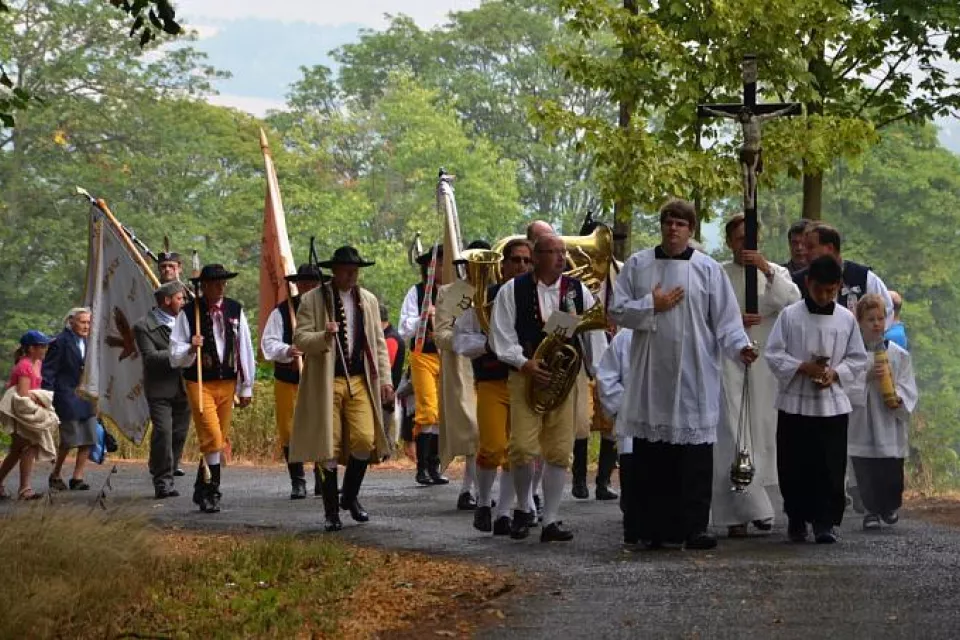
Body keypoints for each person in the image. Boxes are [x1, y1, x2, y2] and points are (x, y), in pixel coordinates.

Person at [608, 199, 757, 551]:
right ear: (661, 226)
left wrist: (740, 347)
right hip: (651, 376)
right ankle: (653, 528)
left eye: (680, 223)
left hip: (694, 372)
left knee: (694, 460)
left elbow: (726, 320)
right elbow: (616, 310)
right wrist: (652, 305)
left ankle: (694, 527)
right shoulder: (638, 264)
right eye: (668, 222)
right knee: (652, 457)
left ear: (691, 230)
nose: (673, 229)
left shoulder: (708, 270)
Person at [490, 234, 607, 542]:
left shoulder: (577, 290)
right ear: (537, 256)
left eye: (562, 252)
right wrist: (524, 363)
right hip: (525, 376)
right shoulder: (512, 290)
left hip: (563, 380)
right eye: (552, 252)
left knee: (559, 450)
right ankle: (523, 507)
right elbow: (501, 335)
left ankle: (551, 519)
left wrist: (599, 374)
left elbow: (594, 336)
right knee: (521, 448)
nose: (560, 257)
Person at [764, 255, 868, 544]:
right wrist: (802, 367)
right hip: (795, 404)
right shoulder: (790, 316)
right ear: (808, 283)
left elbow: (857, 358)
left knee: (830, 465)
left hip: (831, 405)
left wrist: (835, 373)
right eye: (819, 290)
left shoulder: (846, 319)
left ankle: (825, 522)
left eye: (830, 291)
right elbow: (773, 353)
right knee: (794, 464)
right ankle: (797, 518)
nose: (824, 296)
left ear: (838, 286)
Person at [288, 246, 394, 532]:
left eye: (355, 271)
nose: (352, 276)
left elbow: (378, 344)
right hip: (326, 382)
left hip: (359, 380)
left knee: (365, 440)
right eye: (347, 271)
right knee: (328, 446)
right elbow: (300, 339)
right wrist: (324, 335)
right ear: (334, 271)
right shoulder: (312, 299)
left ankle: (349, 495)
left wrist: (386, 380)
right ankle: (331, 510)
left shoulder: (368, 300)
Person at [714, 214, 801, 537]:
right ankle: (738, 513)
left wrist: (764, 268)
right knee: (734, 434)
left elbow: (793, 302)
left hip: (765, 365)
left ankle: (761, 506)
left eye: (750, 239)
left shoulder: (776, 272)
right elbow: (708, 312)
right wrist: (732, 320)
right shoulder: (719, 273)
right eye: (739, 239)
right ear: (729, 242)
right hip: (731, 362)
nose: (745, 246)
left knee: (763, 434)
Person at [454, 237, 535, 535]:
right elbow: (460, 340)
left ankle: (505, 512)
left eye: (527, 261)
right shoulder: (483, 298)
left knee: (519, 450)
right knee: (492, 446)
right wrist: (488, 344)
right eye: (516, 260)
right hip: (492, 380)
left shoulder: (537, 297)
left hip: (525, 381)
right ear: (503, 266)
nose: (521, 266)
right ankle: (483, 503)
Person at [170, 264, 255, 514]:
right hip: (199, 382)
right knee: (213, 438)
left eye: (223, 282)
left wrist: (246, 385)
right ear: (204, 286)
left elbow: (244, 347)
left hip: (227, 382)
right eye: (216, 283)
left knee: (216, 441)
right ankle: (213, 491)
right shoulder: (189, 313)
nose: (221, 287)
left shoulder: (235, 309)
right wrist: (190, 347)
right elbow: (174, 354)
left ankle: (202, 487)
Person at [849, 294, 918, 531]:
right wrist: (866, 377)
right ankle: (871, 511)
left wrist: (899, 398)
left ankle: (889, 506)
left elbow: (908, 384)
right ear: (860, 322)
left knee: (891, 468)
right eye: (870, 319)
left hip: (889, 419)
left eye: (880, 318)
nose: (876, 324)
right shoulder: (853, 354)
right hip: (863, 420)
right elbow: (844, 384)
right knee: (865, 467)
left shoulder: (898, 354)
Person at [260, 264, 325, 500]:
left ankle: (322, 478)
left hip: (318, 380)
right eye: (304, 283)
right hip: (288, 380)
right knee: (289, 430)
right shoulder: (282, 311)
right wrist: (287, 350)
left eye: (313, 283)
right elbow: (268, 343)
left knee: (321, 427)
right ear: (297, 285)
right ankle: (297, 480)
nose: (308, 287)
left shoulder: (327, 309)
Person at [434, 240, 488, 511]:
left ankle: (470, 490)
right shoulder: (451, 293)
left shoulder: (500, 290)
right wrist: (465, 341)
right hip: (463, 367)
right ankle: (476, 491)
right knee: (472, 430)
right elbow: (440, 333)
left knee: (485, 433)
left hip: (494, 365)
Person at [134, 281, 191, 499]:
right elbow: (150, 358)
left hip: (185, 386)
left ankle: (167, 469)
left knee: (179, 435)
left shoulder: (188, 322)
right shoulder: (143, 326)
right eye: (180, 298)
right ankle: (162, 481)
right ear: (167, 300)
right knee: (164, 433)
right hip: (160, 389)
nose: (183, 302)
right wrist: (184, 351)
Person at [398, 245, 449, 486]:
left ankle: (434, 466)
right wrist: (423, 317)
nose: (441, 268)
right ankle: (422, 467)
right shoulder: (417, 292)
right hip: (423, 356)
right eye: (438, 263)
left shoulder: (454, 293)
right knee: (427, 410)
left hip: (447, 357)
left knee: (441, 412)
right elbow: (404, 328)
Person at [794, 223, 894, 327]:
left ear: (829, 248)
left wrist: (867, 335)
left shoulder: (864, 277)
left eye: (810, 247)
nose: (804, 252)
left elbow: (887, 310)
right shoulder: (797, 282)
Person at [43, 307, 97, 492]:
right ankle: (56, 474)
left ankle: (77, 477)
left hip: (86, 395)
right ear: (71, 321)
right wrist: (48, 396)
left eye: (88, 322)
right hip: (66, 394)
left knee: (89, 436)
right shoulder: (60, 342)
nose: (86, 326)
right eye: (83, 322)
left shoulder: (90, 342)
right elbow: (49, 370)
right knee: (69, 438)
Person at [0, 330, 56, 500]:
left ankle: (21, 488)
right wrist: (41, 398)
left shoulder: (37, 362)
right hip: (21, 413)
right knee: (26, 448)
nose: (46, 349)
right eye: (43, 346)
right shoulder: (25, 366)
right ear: (31, 348)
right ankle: (25, 489)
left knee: (19, 450)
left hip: (29, 410)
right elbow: (23, 394)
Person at [595, 328, 638, 544]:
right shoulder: (624, 338)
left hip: (666, 422)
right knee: (632, 477)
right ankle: (634, 522)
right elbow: (607, 378)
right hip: (631, 422)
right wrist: (626, 407)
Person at [380, 302, 405, 446]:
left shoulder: (390, 339)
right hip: (386, 397)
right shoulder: (390, 336)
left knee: (384, 436)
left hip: (385, 397)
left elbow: (385, 366)